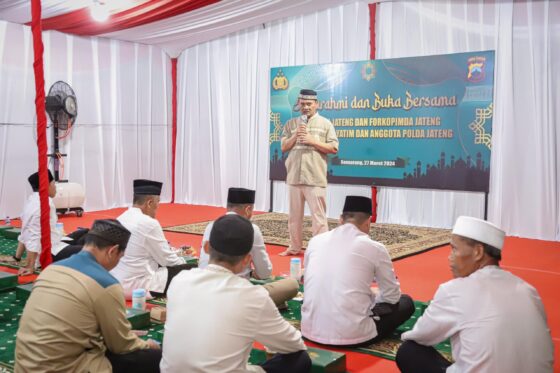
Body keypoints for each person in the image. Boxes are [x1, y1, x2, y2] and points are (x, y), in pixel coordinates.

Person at [396, 216, 554, 373]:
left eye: (454, 249)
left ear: (478, 252)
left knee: (409, 351)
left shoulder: (454, 290)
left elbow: (419, 336)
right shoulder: (528, 290)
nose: (450, 257)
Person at [161, 214, 311, 373]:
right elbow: (294, 345)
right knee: (300, 359)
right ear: (247, 259)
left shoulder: (179, 280)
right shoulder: (252, 296)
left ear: (206, 247)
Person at [15, 219, 162, 373]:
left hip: (25, 365)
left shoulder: (51, 269)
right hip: (62, 368)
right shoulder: (106, 284)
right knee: (153, 358)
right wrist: (148, 345)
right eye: (120, 257)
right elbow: (122, 345)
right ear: (113, 251)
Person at [301, 196, 414, 346]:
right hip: (352, 335)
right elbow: (392, 297)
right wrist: (374, 298)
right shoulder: (374, 247)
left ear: (341, 219)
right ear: (368, 222)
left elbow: (307, 281)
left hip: (309, 330)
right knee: (406, 302)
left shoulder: (315, 241)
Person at [198, 187, 298, 308]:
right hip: (238, 297)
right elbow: (265, 272)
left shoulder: (211, 226)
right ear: (248, 209)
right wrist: (252, 273)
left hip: (204, 290)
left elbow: (202, 264)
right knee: (291, 285)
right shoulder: (251, 229)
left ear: (206, 247)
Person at [110, 179, 195, 298]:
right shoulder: (149, 223)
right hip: (137, 288)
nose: (158, 207)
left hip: (115, 284)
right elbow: (168, 260)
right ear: (149, 203)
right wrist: (185, 263)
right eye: (158, 203)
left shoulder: (119, 219)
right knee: (192, 270)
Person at [279, 89, 339, 256]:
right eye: (302, 104)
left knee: (318, 217)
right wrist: (296, 135)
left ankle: (321, 250)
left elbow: (334, 147)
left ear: (316, 104)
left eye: (309, 104)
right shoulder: (291, 124)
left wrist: (313, 140)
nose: (305, 107)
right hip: (294, 177)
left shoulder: (326, 124)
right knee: (293, 217)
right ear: (299, 104)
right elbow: (284, 147)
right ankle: (294, 247)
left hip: (315, 177)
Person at [16, 170, 83, 275]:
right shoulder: (42, 205)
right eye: (53, 183)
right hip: (50, 252)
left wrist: (17, 257)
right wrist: (30, 266)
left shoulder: (32, 200)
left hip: (55, 241)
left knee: (85, 232)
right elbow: (34, 235)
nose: (55, 187)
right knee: (91, 252)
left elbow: (24, 232)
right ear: (47, 185)